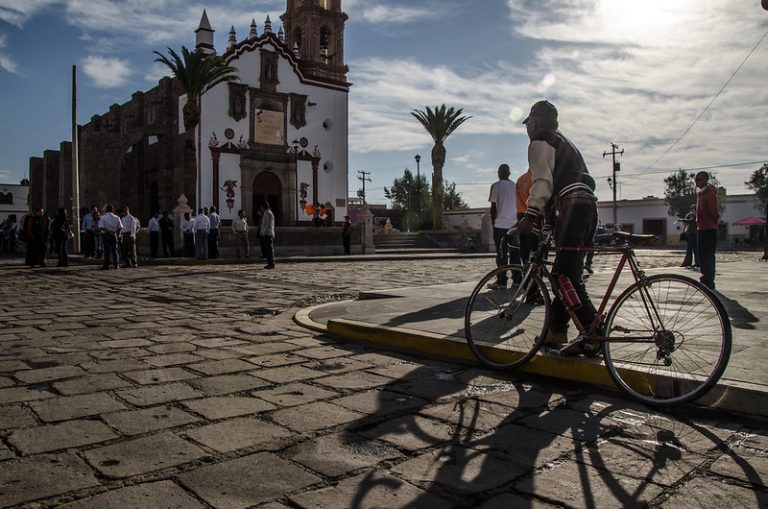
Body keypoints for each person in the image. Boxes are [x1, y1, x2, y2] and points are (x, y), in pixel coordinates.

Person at [515, 100, 598, 349]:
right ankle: (556, 331)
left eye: (528, 123)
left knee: (566, 276)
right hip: (586, 207)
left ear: (536, 121)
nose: (527, 129)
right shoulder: (563, 141)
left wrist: (530, 216)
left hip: (571, 208)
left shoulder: (541, 140)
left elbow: (542, 182)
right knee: (565, 275)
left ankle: (594, 331)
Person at [487, 163, 520, 289]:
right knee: (515, 254)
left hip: (500, 225)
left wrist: (493, 222)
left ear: (499, 173)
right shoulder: (515, 186)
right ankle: (517, 280)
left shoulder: (496, 186)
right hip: (514, 225)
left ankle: (501, 282)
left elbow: (493, 207)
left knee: (501, 254)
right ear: (509, 174)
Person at [695, 171, 719, 290]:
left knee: (708, 255)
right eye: (695, 180)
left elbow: (714, 212)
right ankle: (705, 277)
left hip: (709, 229)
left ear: (705, 179)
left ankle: (709, 279)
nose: (696, 183)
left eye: (698, 180)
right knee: (703, 255)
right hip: (702, 228)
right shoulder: (701, 193)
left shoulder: (709, 193)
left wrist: (712, 223)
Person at [99, 204, 123, 269]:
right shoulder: (117, 217)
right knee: (115, 250)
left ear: (106, 210)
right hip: (114, 234)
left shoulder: (103, 217)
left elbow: (101, 227)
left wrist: (109, 231)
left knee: (107, 250)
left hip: (106, 234)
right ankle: (116, 264)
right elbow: (121, 227)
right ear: (112, 210)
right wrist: (115, 232)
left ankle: (106, 265)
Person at [680, 204, 699, 269]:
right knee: (689, 249)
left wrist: (683, 220)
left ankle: (697, 263)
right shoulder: (689, 215)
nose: (695, 210)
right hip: (690, 234)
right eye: (694, 209)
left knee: (696, 250)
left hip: (696, 234)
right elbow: (686, 223)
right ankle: (688, 262)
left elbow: (691, 221)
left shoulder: (697, 215)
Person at [258, 201, 275, 269]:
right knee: (268, 250)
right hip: (267, 233)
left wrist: (263, 232)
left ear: (263, 207)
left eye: (261, 207)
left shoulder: (268, 213)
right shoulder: (266, 213)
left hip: (268, 234)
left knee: (269, 250)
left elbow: (268, 224)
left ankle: (271, 264)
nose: (261, 208)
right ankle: (270, 263)